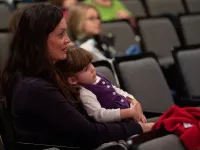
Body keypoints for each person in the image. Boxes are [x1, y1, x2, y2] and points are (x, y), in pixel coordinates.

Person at [1, 4, 153, 149]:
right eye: (61, 34)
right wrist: (138, 128)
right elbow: (89, 133)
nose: (68, 40)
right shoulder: (35, 87)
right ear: (40, 41)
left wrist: (131, 102)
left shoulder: (53, 72)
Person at [56, 45, 150, 124]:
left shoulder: (97, 77)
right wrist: (128, 112)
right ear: (73, 80)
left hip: (131, 114)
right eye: (86, 69)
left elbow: (116, 91)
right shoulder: (85, 92)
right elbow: (99, 115)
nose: (92, 69)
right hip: (120, 124)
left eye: (90, 64)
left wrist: (133, 101)